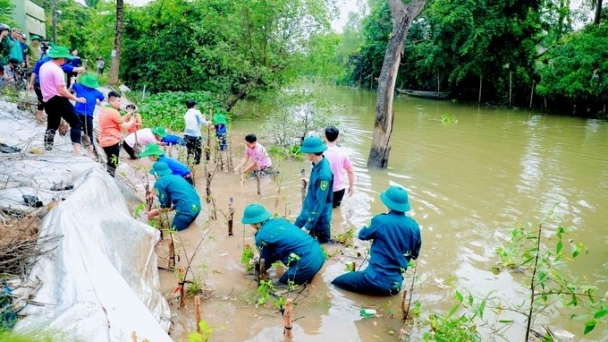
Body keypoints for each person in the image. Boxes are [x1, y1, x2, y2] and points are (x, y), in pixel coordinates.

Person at [332, 186, 422, 296]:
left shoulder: (380, 220)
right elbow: (414, 255)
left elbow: (362, 235)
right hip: (396, 285)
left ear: (387, 203)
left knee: (335, 282)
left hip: (374, 280)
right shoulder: (414, 227)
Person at [241, 203, 325, 285]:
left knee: (281, 285)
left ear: (253, 223)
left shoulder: (261, 236)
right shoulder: (279, 221)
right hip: (319, 254)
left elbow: (266, 260)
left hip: (307, 263)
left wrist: (257, 270)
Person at [38, 46, 87, 156]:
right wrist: (76, 99)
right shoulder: (57, 70)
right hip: (58, 100)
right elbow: (61, 91)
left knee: (52, 125)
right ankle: (77, 151)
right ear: (61, 58)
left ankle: (48, 148)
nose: (65, 60)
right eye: (65, 58)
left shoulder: (44, 66)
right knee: (76, 122)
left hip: (47, 100)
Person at [294, 136, 333, 243]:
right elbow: (319, 185)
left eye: (306, 152)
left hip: (319, 219)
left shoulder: (324, 175)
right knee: (292, 235)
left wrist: (307, 226)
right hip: (307, 211)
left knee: (324, 246)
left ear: (311, 153)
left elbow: (320, 203)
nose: (305, 155)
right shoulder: (318, 163)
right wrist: (310, 182)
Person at [146, 161, 201, 231]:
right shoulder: (177, 177)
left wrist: (155, 211)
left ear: (157, 174)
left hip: (186, 211)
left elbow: (166, 206)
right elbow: (181, 199)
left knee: (174, 232)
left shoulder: (159, 183)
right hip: (197, 207)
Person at [29, 55, 83, 123]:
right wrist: (83, 68)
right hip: (49, 86)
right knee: (52, 103)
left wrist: (30, 83)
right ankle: (52, 121)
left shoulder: (41, 61)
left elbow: (34, 72)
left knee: (41, 100)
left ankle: (39, 118)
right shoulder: (58, 64)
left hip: (38, 84)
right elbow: (75, 69)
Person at [98, 91, 135, 177]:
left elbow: (117, 120)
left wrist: (126, 115)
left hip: (104, 140)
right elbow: (124, 126)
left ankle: (108, 177)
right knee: (113, 163)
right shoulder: (114, 112)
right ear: (111, 101)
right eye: (118, 101)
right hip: (112, 141)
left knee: (110, 161)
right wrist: (132, 121)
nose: (120, 103)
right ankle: (111, 180)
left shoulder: (104, 109)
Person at [70, 73, 104, 157]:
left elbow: (72, 86)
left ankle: (77, 149)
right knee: (89, 132)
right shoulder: (97, 92)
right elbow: (102, 99)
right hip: (88, 115)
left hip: (77, 113)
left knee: (75, 128)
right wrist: (96, 102)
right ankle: (90, 152)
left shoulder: (78, 86)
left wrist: (73, 80)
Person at [323, 126, 355, 208]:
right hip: (338, 189)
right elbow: (350, 171)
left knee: (323, 209)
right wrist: (351, 186)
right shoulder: (342, 153)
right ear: (338, 138)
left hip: (323, 187)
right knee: (335, 209)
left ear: (324, 137)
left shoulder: (319, 153)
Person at [183, 99, 210, 165]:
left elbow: (193, 122)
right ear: (195, 106)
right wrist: (208, 122)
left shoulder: (186, 114)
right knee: (198, 153)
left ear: (187, 107)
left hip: (186, 136)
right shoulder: (196, 112)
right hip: (196, 136)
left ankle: (189, 167)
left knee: (190, 153)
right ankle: (195, 168)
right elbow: (202, 121)